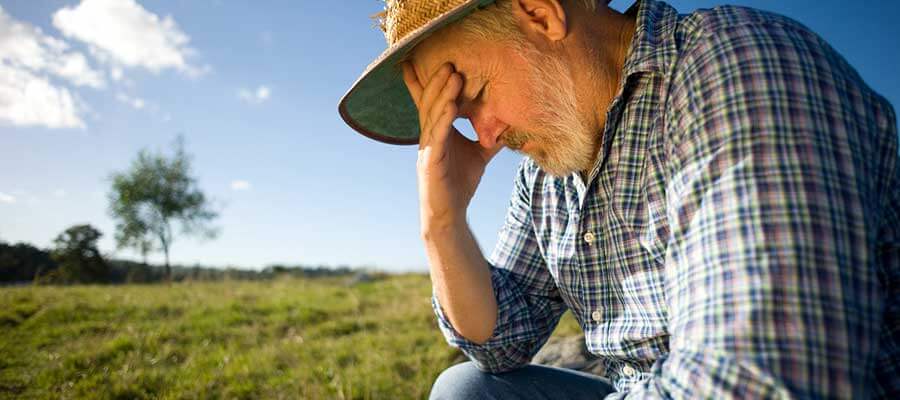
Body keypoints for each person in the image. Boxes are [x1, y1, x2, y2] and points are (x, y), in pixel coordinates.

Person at [338, 0, 899, 398]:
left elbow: (760, 379)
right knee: (468, 389)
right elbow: (499, 341)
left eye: (477, 95)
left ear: (540, 12)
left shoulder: (734, 65)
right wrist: (443, 222)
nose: (486, 137)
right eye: (461, 116)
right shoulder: (550, 171)